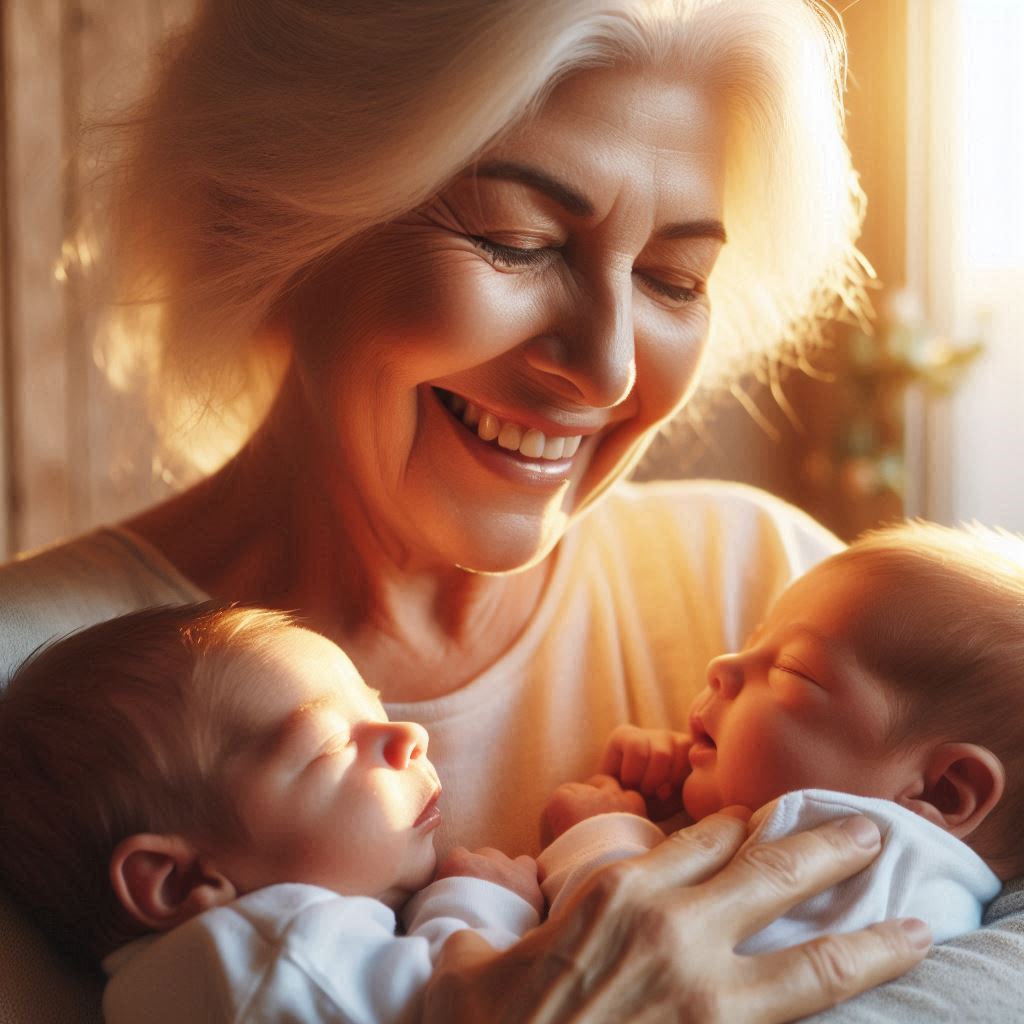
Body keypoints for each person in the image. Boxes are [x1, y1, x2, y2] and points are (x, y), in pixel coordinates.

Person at [4, 0, 999, 1020]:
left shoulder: (774, 588)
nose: (607, 372)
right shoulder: (23, 689)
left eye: (672, 277)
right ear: (266, 215)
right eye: (517, 243)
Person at [0, 603, 545, 1024]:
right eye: (332, 742)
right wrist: (489, 899)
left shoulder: (194, 985)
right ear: (179, 880)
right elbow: (479, 1003)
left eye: (374, 704)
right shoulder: (277, 959)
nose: (410, 735)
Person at [538, 521, 1024, 954]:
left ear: (942, 790)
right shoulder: (918, 885)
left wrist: (599, 838)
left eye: (792, 669)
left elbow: (641, 965)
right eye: (752, 643)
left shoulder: (879, 889)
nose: (720, 665)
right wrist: (681, 804)